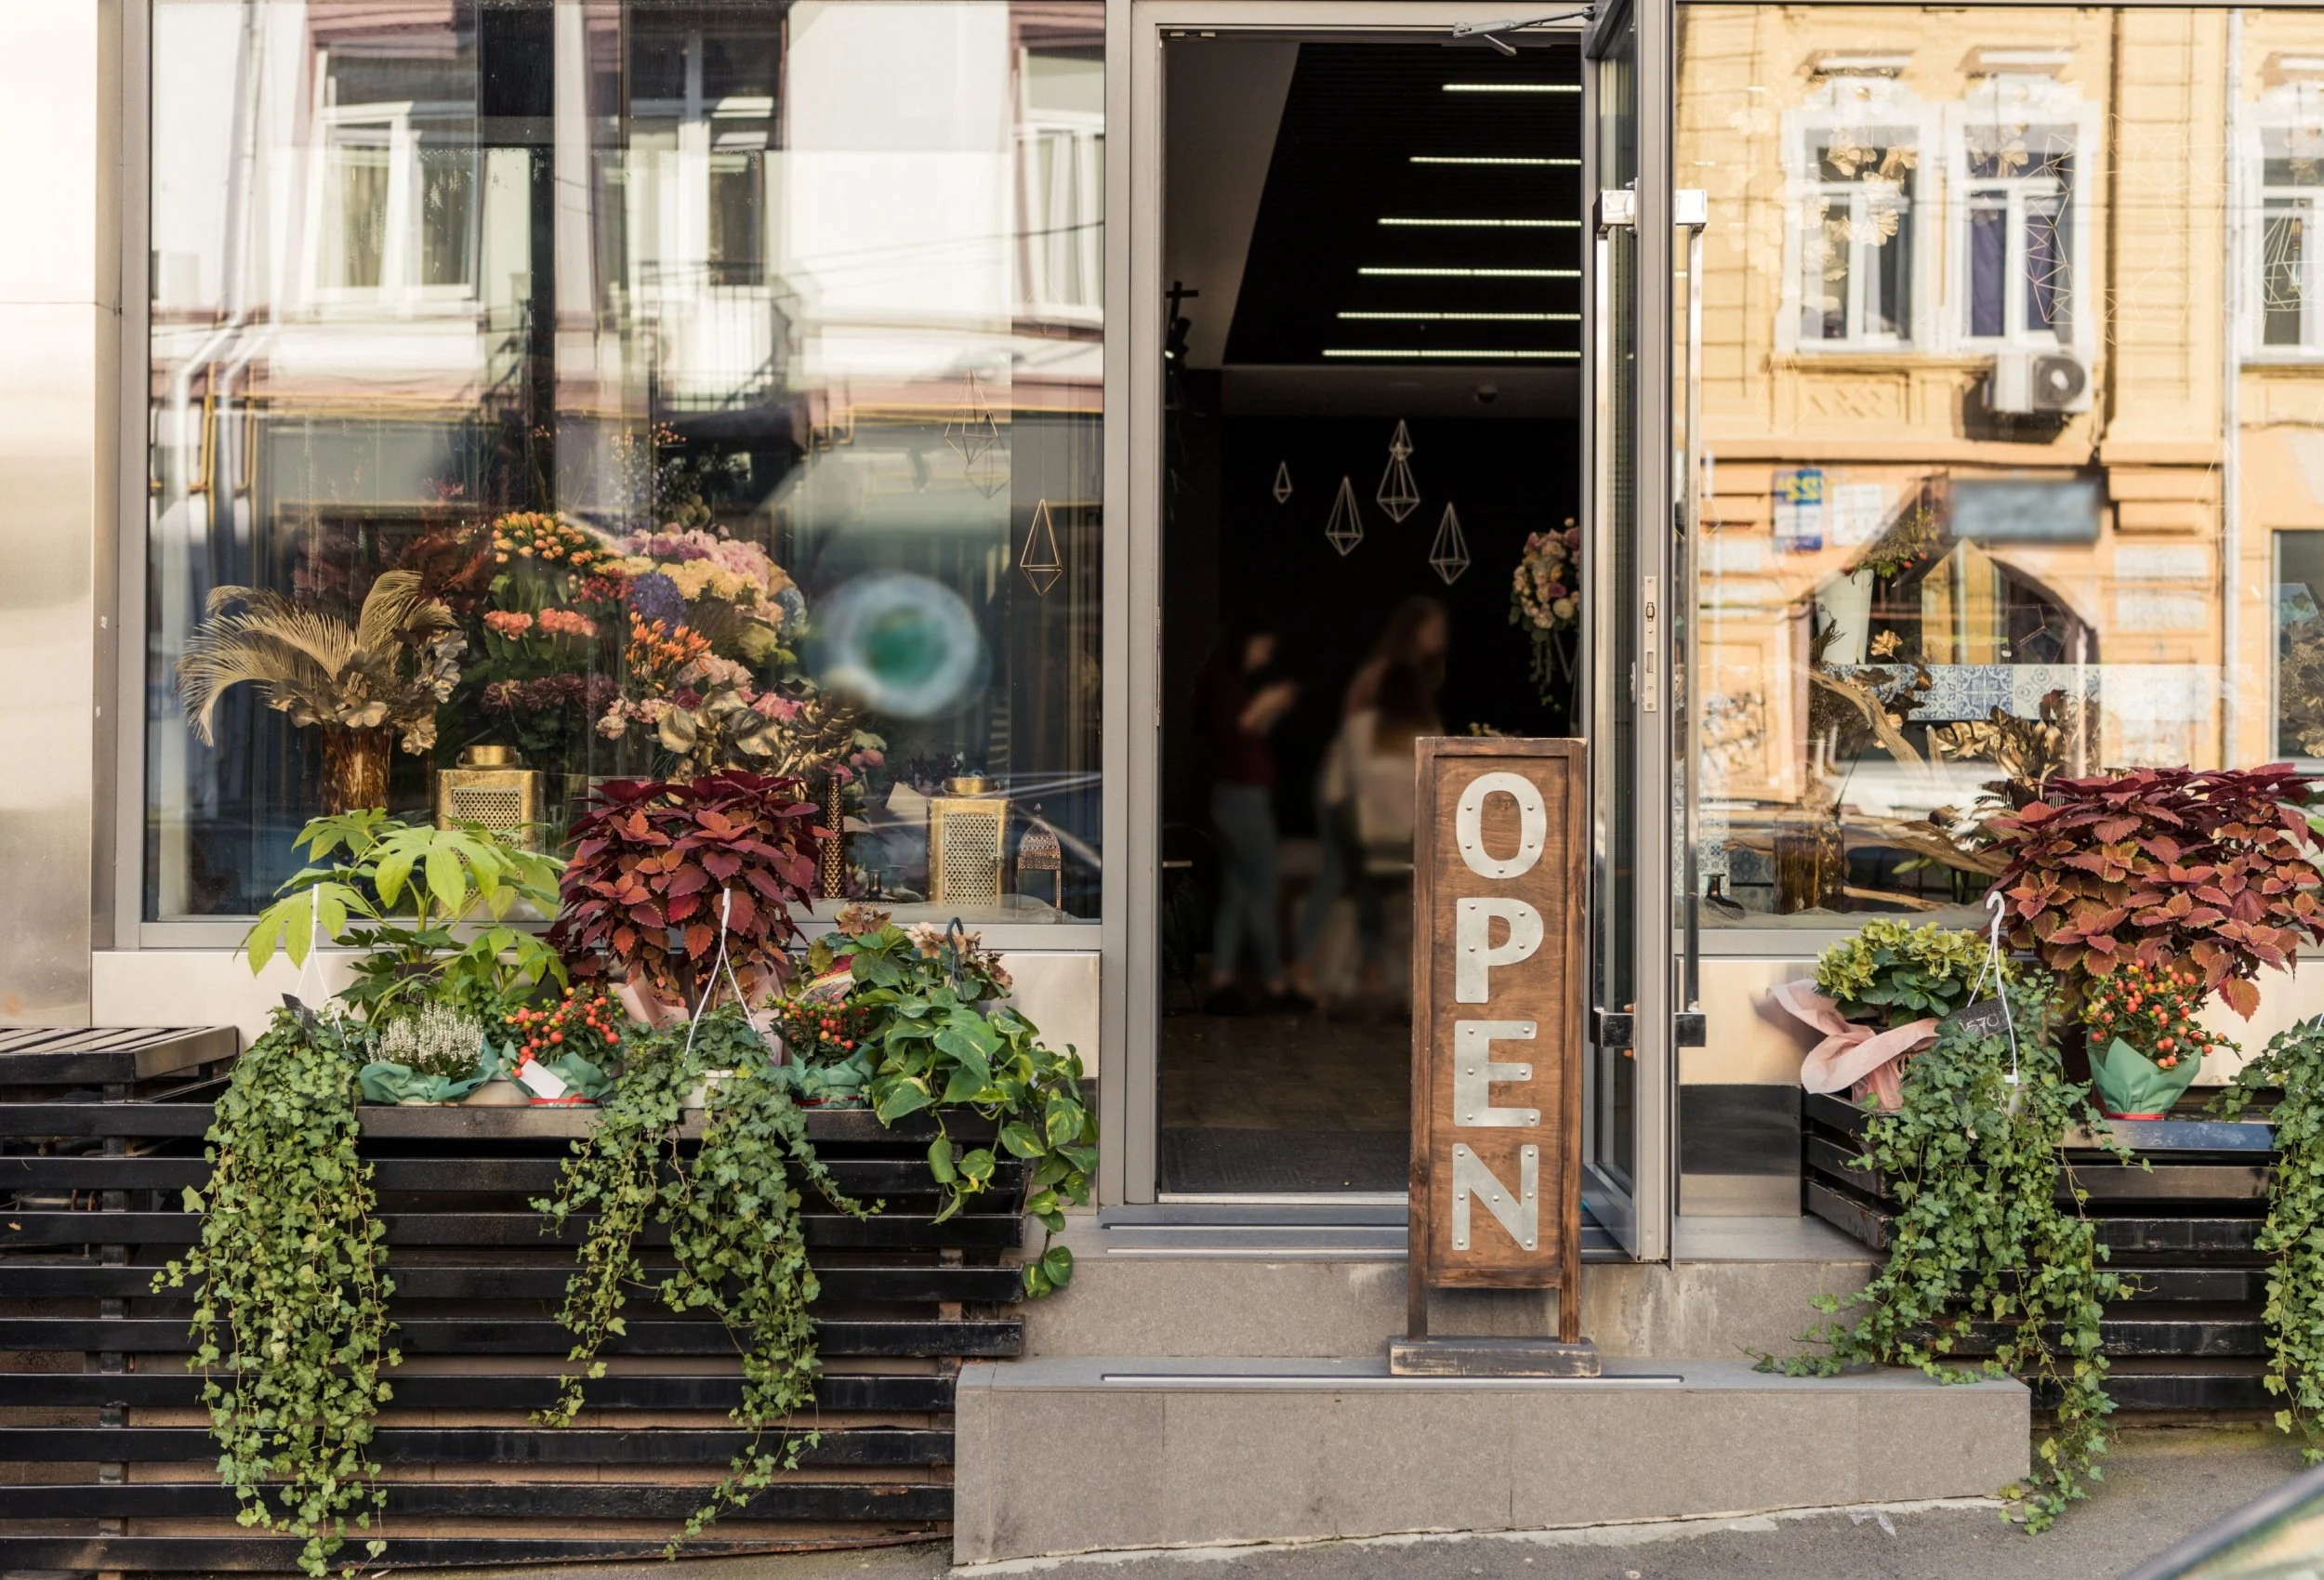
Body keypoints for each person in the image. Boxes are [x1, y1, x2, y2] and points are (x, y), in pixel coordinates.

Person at [1292, 598, 1448, 999]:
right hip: (1346, 793)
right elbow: (1357, 751)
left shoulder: (1402, 712)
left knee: (1365, 877)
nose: (1440, 639)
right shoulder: (1385, 681)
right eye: (1434, 630)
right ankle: (1309, 965)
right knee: (1340, 872)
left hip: (1364, 795)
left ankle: (1370, 968)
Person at [1194, 622, 1305, 1013]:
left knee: (1238, 893)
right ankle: (1275, 984)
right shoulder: (1224, 684)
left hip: (1236, 797)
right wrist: (1269, 703)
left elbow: (1247, 733)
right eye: (1263, 646)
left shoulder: (1224, 684)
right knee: (1261, 891)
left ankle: (1223, 980)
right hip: (1241, 799)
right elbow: (1238, 731)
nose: (1265, 657)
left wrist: (1270, 710)